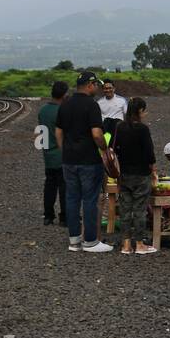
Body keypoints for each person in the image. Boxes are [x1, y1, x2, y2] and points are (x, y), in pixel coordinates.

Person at [55, 70, 114, 252]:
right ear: (90, 85)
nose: (97, 88)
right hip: (89, 160)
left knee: (72, 198)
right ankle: (90, 241)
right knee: (89, 199)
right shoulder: (92, 105)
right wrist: (105, 149)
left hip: (68, 160)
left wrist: (64, 150)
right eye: (96, 85)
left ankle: (74, 241)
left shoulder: (65, 104)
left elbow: (58, 131)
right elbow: (97, 134)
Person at [113, 97, 158, 255]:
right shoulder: (143, 129)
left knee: (125, 209)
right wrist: (154, 173)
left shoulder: (120, 127)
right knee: (139, 210)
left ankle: (126, 244)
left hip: (123, 174)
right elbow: (149, 154)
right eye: (144, 110)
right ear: (140, 111)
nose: (145, 113)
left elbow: (114, 150)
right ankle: (139, 244)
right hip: (141, 174)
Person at [38, 81, 68, 226]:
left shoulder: (42, 111)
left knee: (49, 186)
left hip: (48, 155)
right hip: (61, 155)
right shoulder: (63, 111)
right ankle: (64, 217)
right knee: (64, 187)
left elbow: (40, 135)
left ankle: (48, 216)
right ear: (64, 94)